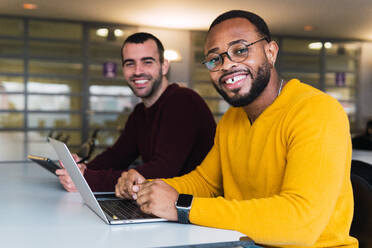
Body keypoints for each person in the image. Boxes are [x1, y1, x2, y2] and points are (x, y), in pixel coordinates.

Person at [115, 10, 358, 248]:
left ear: (270, 52)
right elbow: (206, 183)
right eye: (215, 59)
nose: (227, 65)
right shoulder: (233, 118)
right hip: (244, 240)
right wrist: (147, 187)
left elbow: (300, 224)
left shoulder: (317, 111)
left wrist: (182, 206)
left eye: (240, 50)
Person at [56, 32, 216, 192]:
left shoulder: (183, 101)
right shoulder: (140, 112)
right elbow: (118, 155)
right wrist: (82, 169)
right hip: (161, 201)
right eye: (130, 63)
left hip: (192, 205)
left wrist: (88, 179)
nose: (138, 71)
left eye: (147, 62)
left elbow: (164, 170)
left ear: (164, 66)